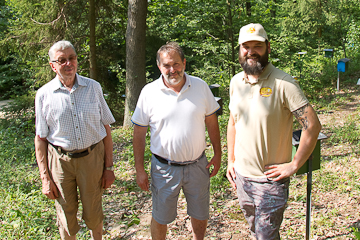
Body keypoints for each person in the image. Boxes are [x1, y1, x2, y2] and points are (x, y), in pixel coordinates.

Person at [226, 23, 322, 239]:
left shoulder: (284, 83)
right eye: (246, 47)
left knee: (265, 236)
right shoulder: (235, 82)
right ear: (239, 50)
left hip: (269, 182)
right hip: (242, 178)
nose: (251, 52)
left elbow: (312, 126)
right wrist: (230, 160)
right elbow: (233, 122)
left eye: (257, 46)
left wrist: (295, 164)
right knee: (255, 231)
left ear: (268, 47)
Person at [132, 42, 222, 240]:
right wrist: (139, 169)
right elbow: (139, 133)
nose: (172, 70)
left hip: (198, 165)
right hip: (163, 169)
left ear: (184, 63)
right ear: (159, 67)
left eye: (176, 64)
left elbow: (211, 121)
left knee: (200, 214)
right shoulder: (149, 92)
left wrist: (218, 153)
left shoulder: (200, 86)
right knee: (160, 217)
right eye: (166, 65)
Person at [34, 40, 116, 240]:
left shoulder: (93, 87)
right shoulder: (44, 95)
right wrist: (45, 178)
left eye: (72, 58)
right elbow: (41, 138)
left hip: (92, 159)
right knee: (65, 216)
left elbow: (106, 128)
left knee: (94, 213)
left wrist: (109, 168)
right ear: (53, 65)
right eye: (62, 60)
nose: (68, 63)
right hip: (61, 163)